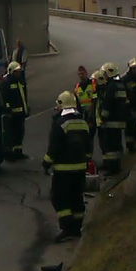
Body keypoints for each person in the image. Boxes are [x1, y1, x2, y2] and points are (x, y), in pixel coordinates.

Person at [43, 91, 90, 243]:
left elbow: (53, 148)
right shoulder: (83, 123)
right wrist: (86, 161)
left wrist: (46, 163)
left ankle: (67, 228)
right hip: (81, 169)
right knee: (77, 198)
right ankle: (76, 229)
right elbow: (89, 147)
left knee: (60, 198)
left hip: (63, 171)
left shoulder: (59, 124)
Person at [98, 62, 129, 175]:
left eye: (105, 73)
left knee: (110, 146)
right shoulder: (120, 85)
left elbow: (107, 104)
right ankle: (117, 166)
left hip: (111, 121)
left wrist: (103, 117)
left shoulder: (110, 87)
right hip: (119, 121)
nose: (104, 76)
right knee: (117, 145)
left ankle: (112, 169)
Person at [1, 62, 30, 161]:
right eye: (16, 72)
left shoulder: (20, 82)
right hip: (12, 114)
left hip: (20, 113)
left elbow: (24, 97)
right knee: (12, 134)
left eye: (19, 71)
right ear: (11, 72)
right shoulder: (6, 82)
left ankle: (18, 152)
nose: (18, 73)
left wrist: (26, 108)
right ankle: (10, 154)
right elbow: (5, 98)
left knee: (20, 133)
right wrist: (8, 109)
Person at [75, 66, 96, 151]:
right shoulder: (77, 87)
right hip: (83, 116)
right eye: (79, 74)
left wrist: (91, 116)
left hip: (92, 114)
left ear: (86, 73)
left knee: (90, 137)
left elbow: (95, 99)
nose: (81, 76)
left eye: (82, 73)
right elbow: (77, 102)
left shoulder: (92, 84)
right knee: (85, 138)